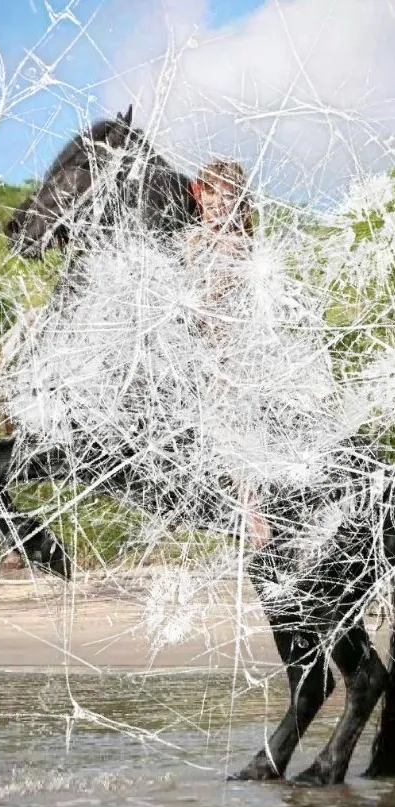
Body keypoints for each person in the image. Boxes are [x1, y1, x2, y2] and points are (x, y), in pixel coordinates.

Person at [186, 158, 270, 550]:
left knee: (230, 422)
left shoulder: (245, 249)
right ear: (197, 194)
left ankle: (254, 517)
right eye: (213, 194)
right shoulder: (190, 243)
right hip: (198, 353)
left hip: (237, 357)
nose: (220, 204)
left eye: (229, 196)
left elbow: (251, 307)